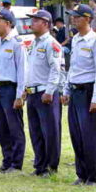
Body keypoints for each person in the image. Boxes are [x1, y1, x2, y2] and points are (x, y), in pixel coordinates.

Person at [63, 4, 96, 186]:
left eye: (77, 17)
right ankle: (81, 174)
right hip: (75, 90)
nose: (74, 19)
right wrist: (66, 89)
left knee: (89, 136)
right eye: (73, 17)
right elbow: (72, 67)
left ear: (88, 18)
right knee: (76, 135)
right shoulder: (75, 39)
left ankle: (93, 176)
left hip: (88, 91)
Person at [24, 10, 63, 177]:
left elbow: (56, 70)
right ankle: (39, 165)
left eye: (35, 20)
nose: (31, 23)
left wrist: (49, 91)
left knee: (50, 131)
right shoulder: (34, 43)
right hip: (32, 93)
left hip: (45, 94)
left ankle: (50, 165)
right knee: (35, 131)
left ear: (46, 24)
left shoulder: (51, 43)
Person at [0, 9, 27, 173]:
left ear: (8, 24)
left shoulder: (17, 43)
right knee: (1, 127)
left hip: (11, 89)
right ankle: (6, 161)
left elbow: (22, 70)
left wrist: (20, 95)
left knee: (14, 128)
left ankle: (16, 164)